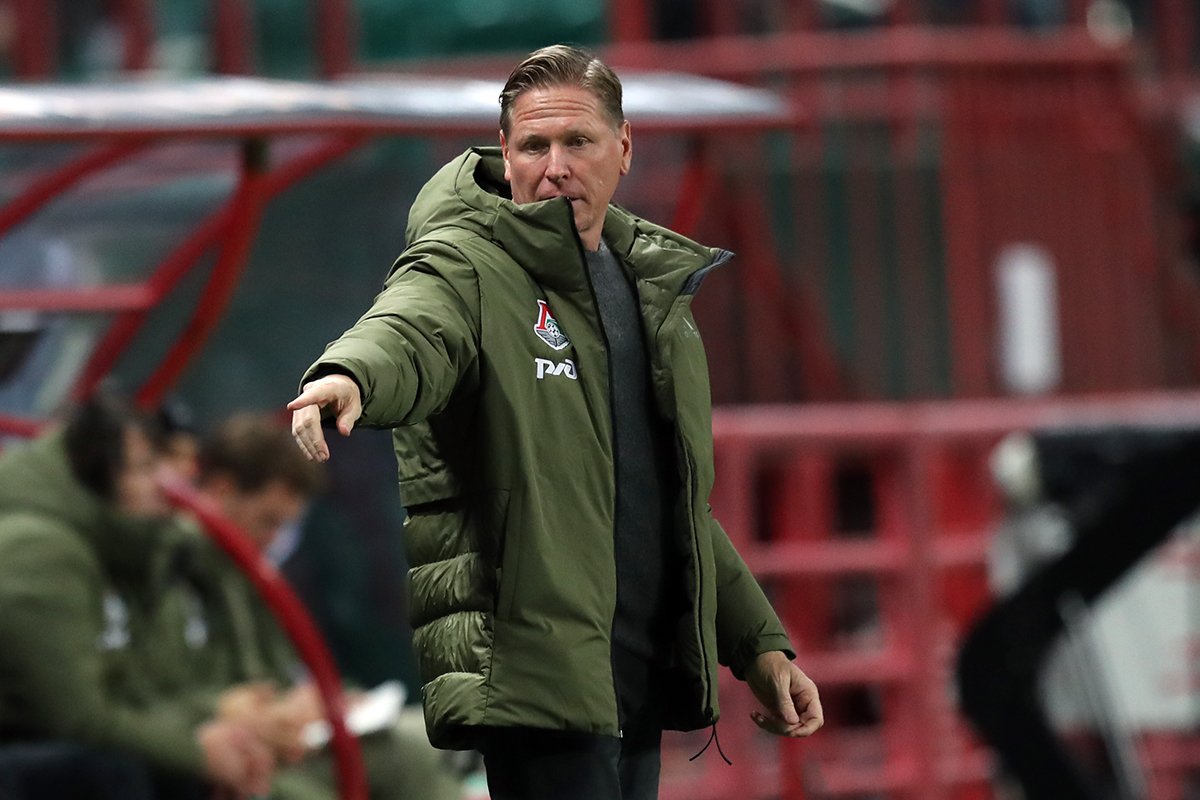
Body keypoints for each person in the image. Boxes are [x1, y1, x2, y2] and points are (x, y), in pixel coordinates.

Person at [289, 44, 823, 799]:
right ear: (505, 154)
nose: (556, 166)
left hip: (632, 675)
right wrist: (349, 375)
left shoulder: (648, 290)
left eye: (578, 142)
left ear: (624, 148)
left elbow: (672, 504)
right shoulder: (467, 263)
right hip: (534, 676)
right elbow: (409, 328)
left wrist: (759, 645)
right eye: (534, 145)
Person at [146, 412, 462, 800]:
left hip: (280, 734)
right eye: (268, 521)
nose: (274, 540)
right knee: (404, 756)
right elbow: (154, 689)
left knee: (428, 738)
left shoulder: (247, 576)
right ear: (221, 489)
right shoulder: (173, 567)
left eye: (285, 527)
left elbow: (279, 670)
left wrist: (325, 699)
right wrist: (234, 710)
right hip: (224, 744)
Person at [0, 392, 275, 799]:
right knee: (116, 773)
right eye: (145, 468)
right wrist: (198, 752)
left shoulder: (109, 547)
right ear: (100, 472)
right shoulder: (40, 551)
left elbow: (129, 695)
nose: (165, 485)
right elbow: (77, 718)